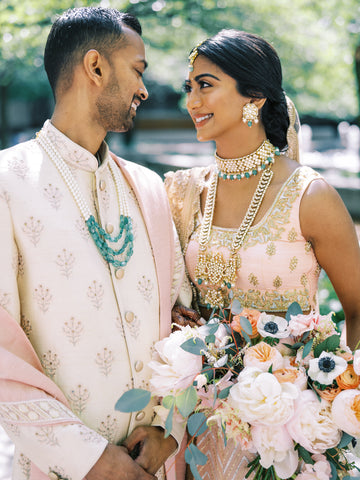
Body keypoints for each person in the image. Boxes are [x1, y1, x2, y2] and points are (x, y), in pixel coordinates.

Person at [0, 7, 192, 480]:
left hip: (157, 466)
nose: (144, 90)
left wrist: (170, 427)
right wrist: (91, 459)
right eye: (137, 70)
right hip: (59, 469)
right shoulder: (7, 182)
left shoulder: (149, 188)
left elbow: (186, 319)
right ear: (96, 67)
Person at [165, 29, 360, 479]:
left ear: (253, 97)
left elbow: (357, 308)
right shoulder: (183, 191)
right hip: (202, 420)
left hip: (289, 430)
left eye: (206, 85)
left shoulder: (310, 196)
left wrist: (337, 398)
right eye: (188, 88)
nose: (192, 102)